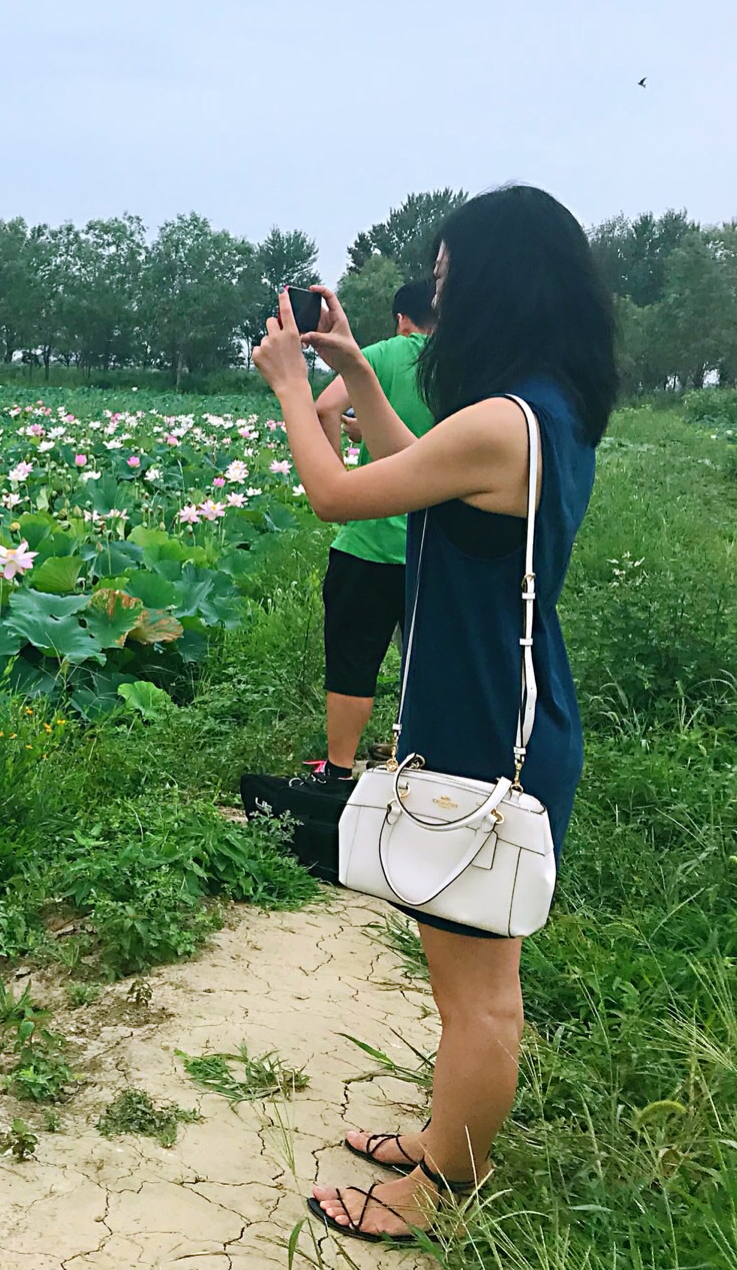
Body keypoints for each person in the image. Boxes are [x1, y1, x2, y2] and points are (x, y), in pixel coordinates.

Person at [251, 184, 616, 1245]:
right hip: (497, 710)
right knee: (467, 971)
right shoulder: (541, 408)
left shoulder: (504, 421)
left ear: (495, 286)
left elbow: (339, 491)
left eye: (450, 283)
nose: (441, 301)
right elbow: (416, 461)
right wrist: (355, 370)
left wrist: (290, 387)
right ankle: (445, 1142)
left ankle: (446, 1188)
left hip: (482, 734)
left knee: (477, 993)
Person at [299, 277, 438, 785]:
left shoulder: (377, 354)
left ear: (401, 319)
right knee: (424, 660)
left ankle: (337, 771)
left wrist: (342, 476)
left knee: (354, 661)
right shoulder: (458, 365)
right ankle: (414, 758)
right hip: (431, 544)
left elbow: (324, 407)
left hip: (367, 540)